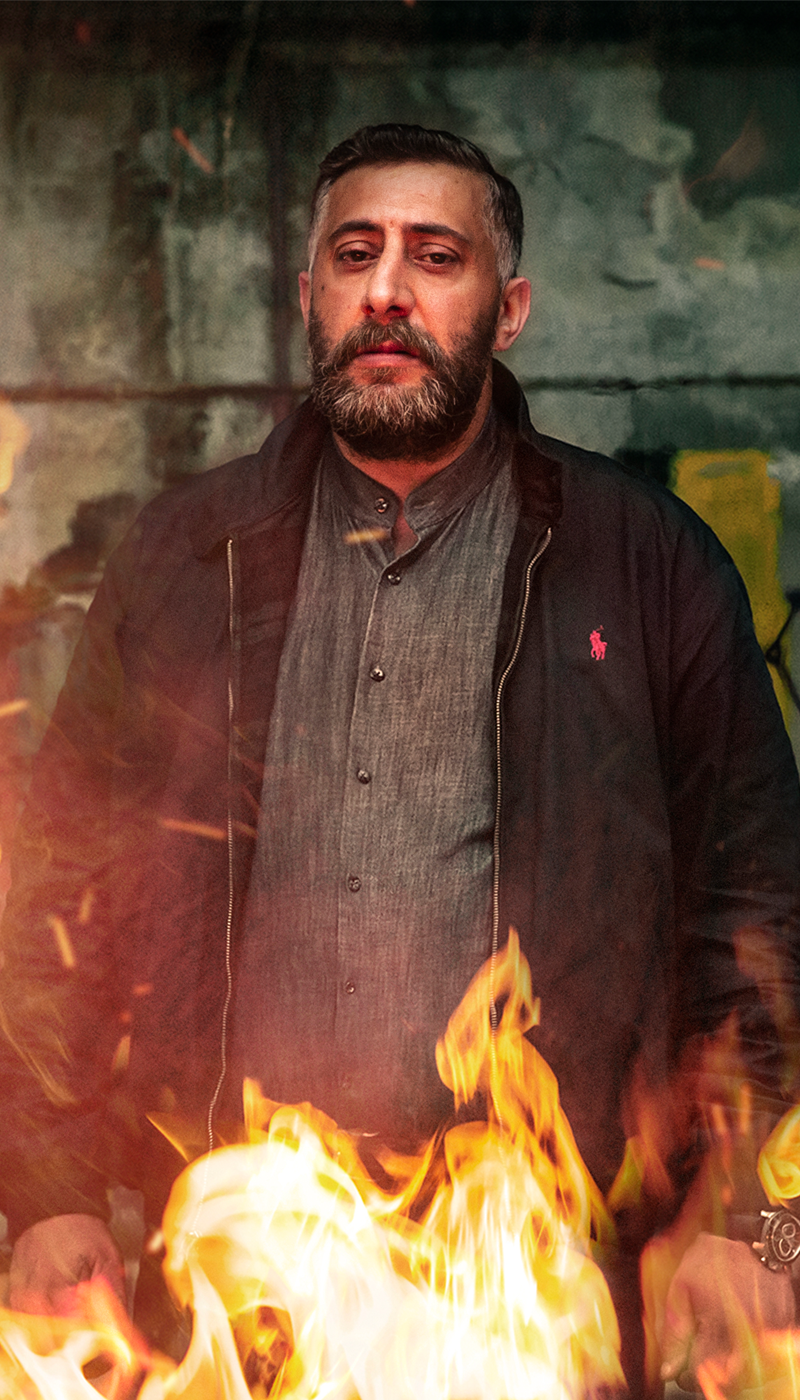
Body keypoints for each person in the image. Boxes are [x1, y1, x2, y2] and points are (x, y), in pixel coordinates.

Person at [1, 123, 799, 1395]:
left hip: (543, 1289)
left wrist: (755, 1219)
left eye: (435, 256)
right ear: (306, 295)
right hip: (238, 1276)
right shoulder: (182, 558)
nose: (386, 289)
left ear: (508, 308)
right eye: (354, 252)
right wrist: (46, 1187)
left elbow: (756, 914)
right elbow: (59, 891)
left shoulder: (645, 562)